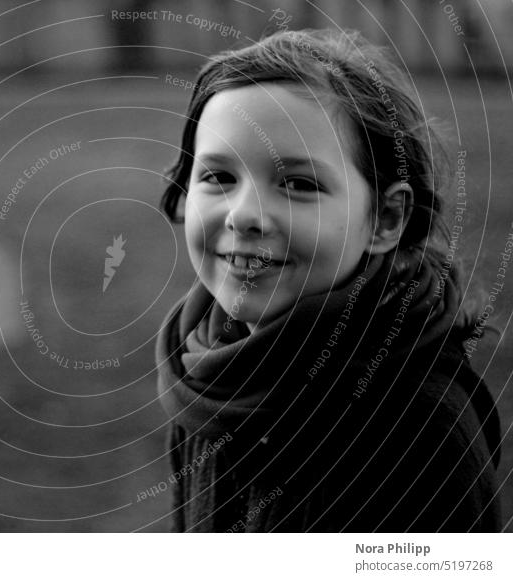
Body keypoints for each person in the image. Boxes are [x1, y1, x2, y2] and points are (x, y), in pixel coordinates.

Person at [155, 28, 502, 532]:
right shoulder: (209, 372)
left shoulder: (418, 431)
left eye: (298, 184)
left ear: (385, 219)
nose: (244, 215)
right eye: (219, 177)